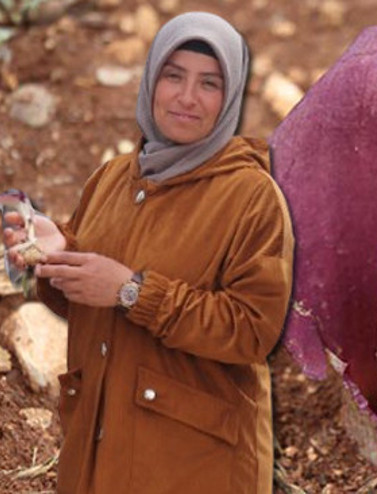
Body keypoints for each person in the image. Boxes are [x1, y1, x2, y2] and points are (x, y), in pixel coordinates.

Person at [2, 12, 293, 494]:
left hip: (192, 470)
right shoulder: (114, 178)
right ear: (151, 79)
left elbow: (251, 330)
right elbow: (91, 301)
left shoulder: (251, 197)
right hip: (99, 456)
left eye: (209, 83)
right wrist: (55, 257)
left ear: (230, 99)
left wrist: (133, 292)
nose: (186, 96)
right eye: (173, 75)